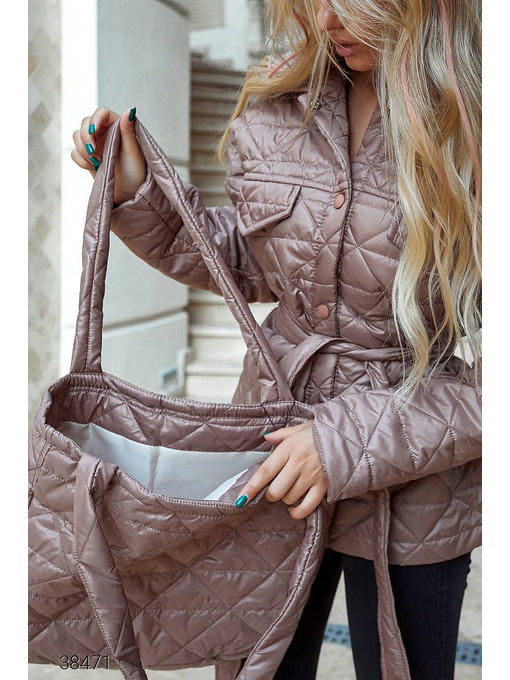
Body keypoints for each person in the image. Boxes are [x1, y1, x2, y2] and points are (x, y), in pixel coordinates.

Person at [70, 1, 481, 678]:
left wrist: (344, 441)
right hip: (274, 445)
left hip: (418, 480)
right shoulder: (282, 105)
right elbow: (254, 266)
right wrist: (138, 193)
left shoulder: (477, 125)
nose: (327, 22)